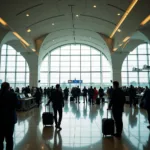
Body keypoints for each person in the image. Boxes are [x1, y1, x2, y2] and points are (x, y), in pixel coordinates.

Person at [0, 82, 18, 150]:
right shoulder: (13, 95)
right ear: (9, 87)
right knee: (9, 138)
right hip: (10, 119)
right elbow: (17, 105)